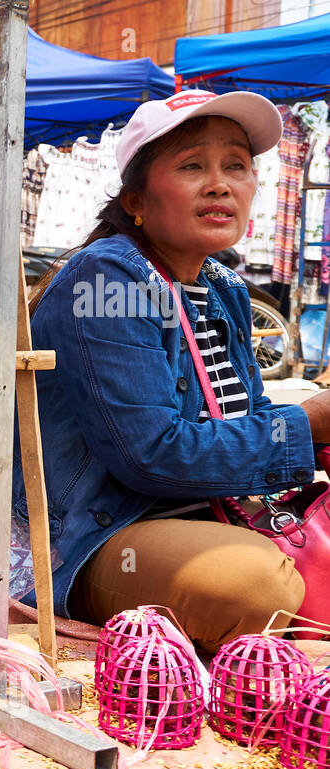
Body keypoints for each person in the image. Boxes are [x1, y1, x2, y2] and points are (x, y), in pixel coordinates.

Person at [21, 89, 330, 652]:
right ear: (137, 199)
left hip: (210, 515)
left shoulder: (225, 287)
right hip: (97, 534)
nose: (220, 184)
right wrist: (309, 425)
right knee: (255, 585)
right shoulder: (107, 279)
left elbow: (247, 415)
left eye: (236, 166)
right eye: (192, 166)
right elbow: (152, 456)